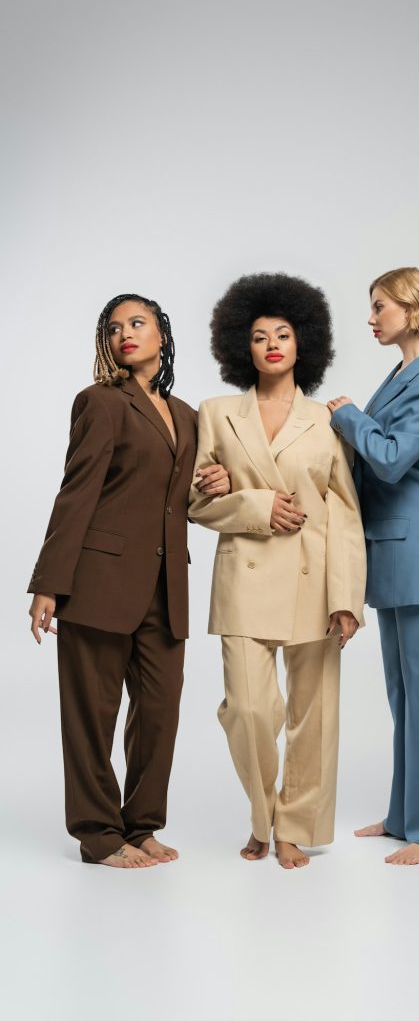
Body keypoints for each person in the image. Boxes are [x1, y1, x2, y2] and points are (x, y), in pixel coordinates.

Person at [28, 293, 228, 868]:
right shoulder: (99, 402)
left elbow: (175, 501)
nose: (125, 335)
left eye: (137, 324)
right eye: (114, 328)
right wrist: (49, 582)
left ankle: (142, 826)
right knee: (92, 713)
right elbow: (78, 491)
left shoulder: (186, 414)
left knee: (159, 715)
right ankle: (98, 834)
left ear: (161, 335)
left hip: (167, 587)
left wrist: (207, 486)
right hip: (97, 580)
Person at [188, 272, 365, 870]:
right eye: (259, 335)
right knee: (249, 709)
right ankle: (262, 816)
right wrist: (256, 504)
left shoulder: (326, 419)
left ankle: (291, 828)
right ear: (241, 344)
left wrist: (348, 597)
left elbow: (343, 514)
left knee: (313, 717)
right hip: (244, 574)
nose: (270, 344)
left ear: (302, 344)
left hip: (315, 580)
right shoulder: (215, 414)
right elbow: (194, 500)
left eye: (282, 334)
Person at [328, 266, 419, 866]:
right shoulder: (403, 373)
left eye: (380, 307)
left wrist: (348, 417)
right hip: (391, 548)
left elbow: (390, 461)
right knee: (404, 692)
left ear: (410, 309)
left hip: (416, 548)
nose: (371, 319)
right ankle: (408, 815)